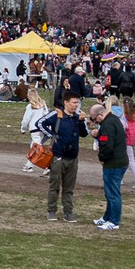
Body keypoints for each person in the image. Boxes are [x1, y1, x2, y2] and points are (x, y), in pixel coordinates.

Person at [38, 93, 87, 221]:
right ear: (66, 102)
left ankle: (68, 213)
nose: (76, 105)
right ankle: (51, 211)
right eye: (74, 102)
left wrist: (81, 121)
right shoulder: (57, 114)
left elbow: (84, 134)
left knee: (69, 188)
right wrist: (51, 135)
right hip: (58, 157)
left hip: (73, 158)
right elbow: (40, 123)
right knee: (54, 186)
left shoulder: (78, 116)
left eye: (77, 103)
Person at [92, 101, 127, 230]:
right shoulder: (113, 119)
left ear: (100, 114)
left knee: (113, 193)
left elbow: (107, 146)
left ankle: (114, 221)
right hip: (119, 161)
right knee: (110, 192)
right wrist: (98, 135)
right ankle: (107, 217)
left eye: (94, 119)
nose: (95, 122)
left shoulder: (107, 125)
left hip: (113, 163)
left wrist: (102, 158)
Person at [20, 86, 49, 174]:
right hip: (42, 129)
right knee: (35, 147)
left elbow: (26, 119)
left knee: (37, 149)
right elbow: (47, 116)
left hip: (34, 129)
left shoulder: (30, 106)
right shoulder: (43, 105)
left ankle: (47, 167)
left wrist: (23, 128)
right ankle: (29, 165)